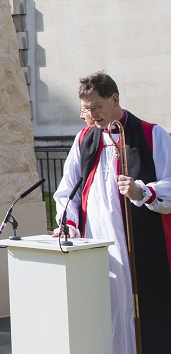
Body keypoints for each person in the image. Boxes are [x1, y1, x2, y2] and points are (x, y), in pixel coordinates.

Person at [53, 72, 171, 354]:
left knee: (140, 310)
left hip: (139, 245)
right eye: (86, 109)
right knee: (105, 309)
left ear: (114, 99)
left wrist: (142, 192)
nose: (91, 115)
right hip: (96, 242)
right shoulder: (85, 139)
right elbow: (68, 190)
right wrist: (68, 223)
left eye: (96, 107)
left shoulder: (151, 134)